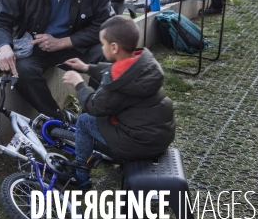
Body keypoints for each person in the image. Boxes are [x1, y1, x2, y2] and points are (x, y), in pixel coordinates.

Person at [61, 15, 175, 187]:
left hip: (138, 144)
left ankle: (81, 175)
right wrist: (87, 68)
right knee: (105, 120)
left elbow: (94, 106)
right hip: (160, 136)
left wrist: (79, 83)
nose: (101, 47)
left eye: (103, 44)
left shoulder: (118, 84)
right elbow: (113, 70)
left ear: (113, 47)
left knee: (84, 121)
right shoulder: (143, 62)